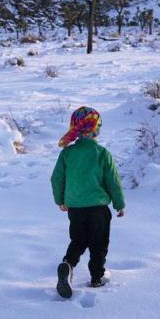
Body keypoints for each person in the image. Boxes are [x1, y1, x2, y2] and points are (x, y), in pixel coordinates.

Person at [50, 107, 125, 298]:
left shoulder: (67, 154)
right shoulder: (101, 153)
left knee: (78, 240)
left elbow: (56, 178)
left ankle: (68, 265)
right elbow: (112, 181)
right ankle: (97, 277)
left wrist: (61, 200)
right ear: (96, 129)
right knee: (98, 243)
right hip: (98, 209)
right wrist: (119, 203)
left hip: (75, 209)